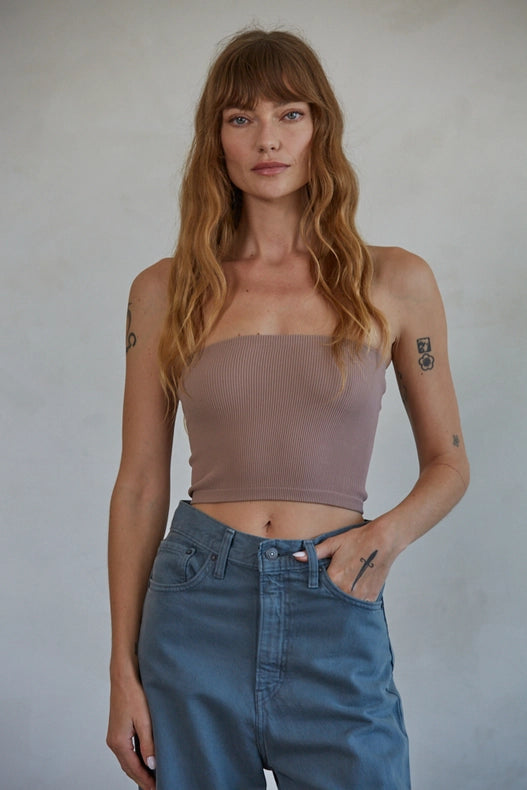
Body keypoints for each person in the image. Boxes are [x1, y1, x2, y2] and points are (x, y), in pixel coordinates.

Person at [106, 28, 469, 790]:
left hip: (333, 594)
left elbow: (449, 462)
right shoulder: (164, 290)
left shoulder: (394, 282)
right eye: (240, 117)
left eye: (289, 114)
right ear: (215, 139)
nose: (266, 139)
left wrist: (385, 536)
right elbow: (139, 482)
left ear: (319, 129)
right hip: (196, 604)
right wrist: (121, 670)